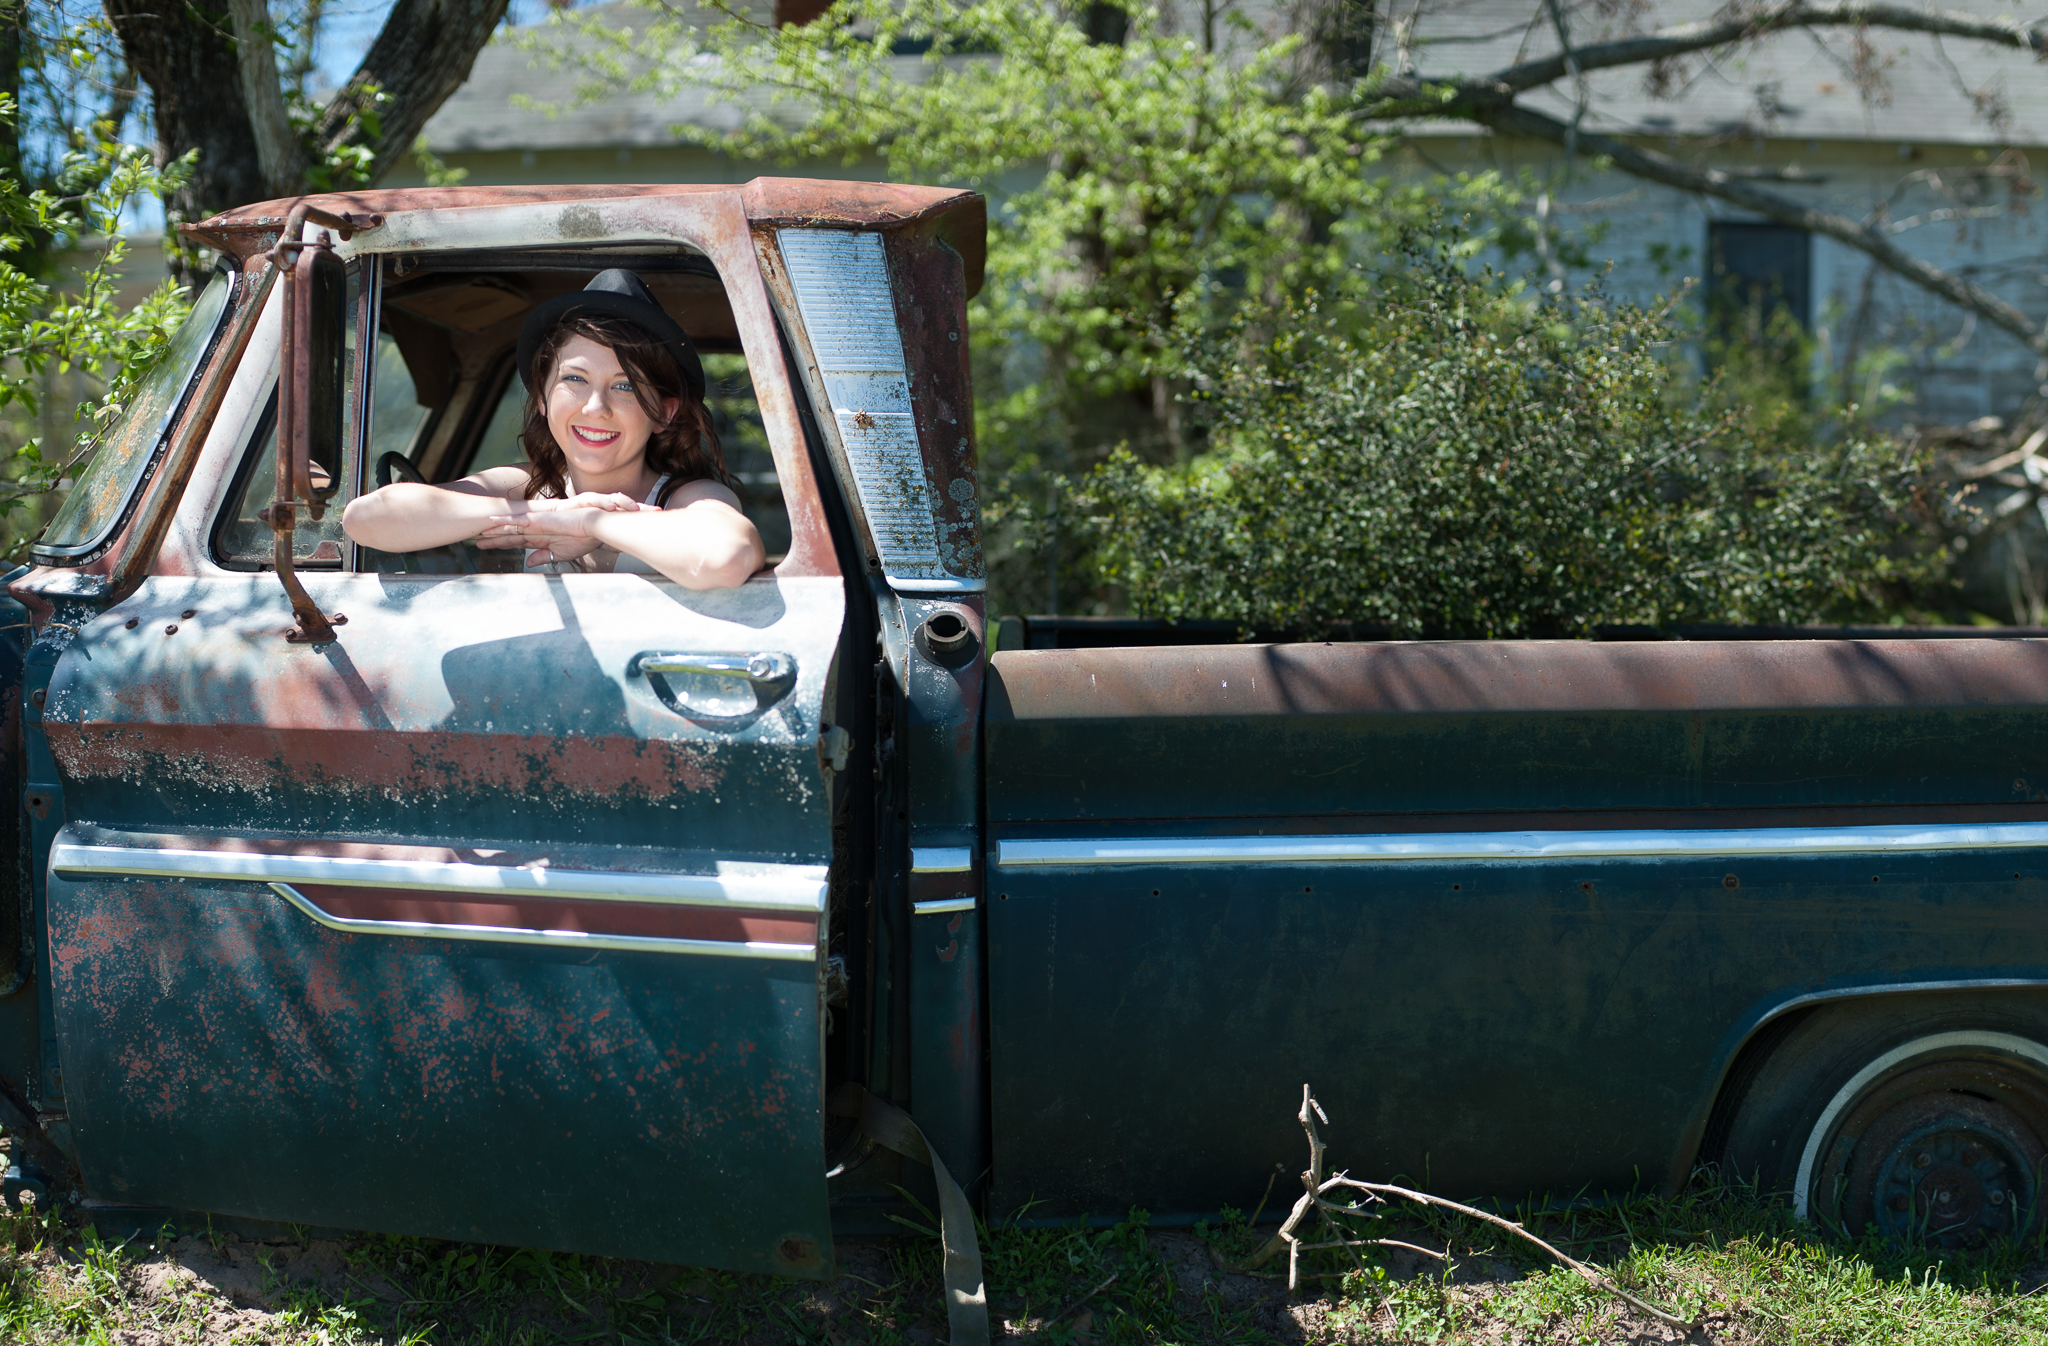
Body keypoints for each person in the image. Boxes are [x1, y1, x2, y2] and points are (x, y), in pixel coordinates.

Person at [341, 269, 765, 588]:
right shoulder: (529, 488)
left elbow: (727, 556)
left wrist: (590, 524)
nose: (596, 408)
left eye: (626, 386)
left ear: (664, 413)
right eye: (574, 379)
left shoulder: (686, 498)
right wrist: (545, 513)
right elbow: (367, 518)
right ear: (542, 399)